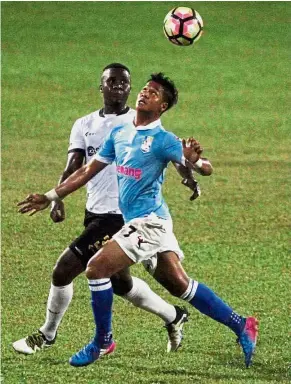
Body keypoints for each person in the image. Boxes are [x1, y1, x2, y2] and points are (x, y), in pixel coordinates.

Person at [18, 72, 258, 369]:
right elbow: (86, 171)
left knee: (96, 268)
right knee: (180, 286)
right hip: (145, 220)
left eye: (154, 93)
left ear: (163, 107)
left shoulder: (163, 140)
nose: (145, 94)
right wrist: (52, 195)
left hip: (150, 223)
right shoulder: (120, 135)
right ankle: (242, 324)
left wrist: (195, 161)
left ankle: (102, 341)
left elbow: (205, 168)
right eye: (145, 89)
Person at [13, 63, 192, 356]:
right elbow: (76, 167)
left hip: (120, 217)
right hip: (94, 212)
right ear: (101, 87)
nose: (119, 86)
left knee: (64, 270)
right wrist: (56, 198)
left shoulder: (140, 123)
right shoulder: (85, 124)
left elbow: (176, 157)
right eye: (112, 81)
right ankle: (174, 316)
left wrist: (190, 176)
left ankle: (47, 335)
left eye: (125, 82)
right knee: (121, 284)